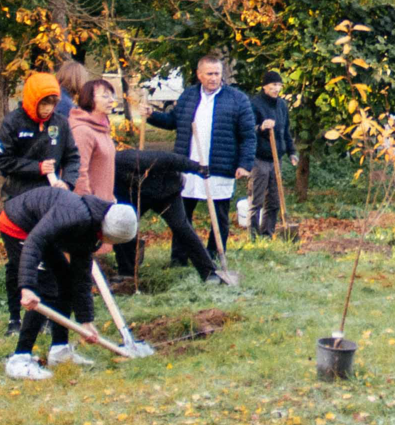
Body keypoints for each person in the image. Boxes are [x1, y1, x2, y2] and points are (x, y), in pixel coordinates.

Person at [2, 185, 141, 379]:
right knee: (45, 290)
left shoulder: (90, 229)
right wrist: (27, 287)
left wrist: (86, 321)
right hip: (18, 225)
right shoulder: (73, 215)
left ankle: (59, 350)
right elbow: (34, 242)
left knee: (66, 282)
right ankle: (20, 359)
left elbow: (81, 277)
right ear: (105, 232)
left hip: (40, 230)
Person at [148, 54, 254, 284]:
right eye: (209, 74)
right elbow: (172, 121)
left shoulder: (237, 99)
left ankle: (213, 255)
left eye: (217, 74)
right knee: (182, 215)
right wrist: (152, 117)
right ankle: (179, 258)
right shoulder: (188, 96)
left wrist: (244, 164)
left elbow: (247, 136)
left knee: (219, 216)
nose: (214, 78)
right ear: (199, 75)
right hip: (188, 167)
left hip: (219, 166)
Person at [113, 145, 225, 285]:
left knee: (181, 228)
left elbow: (169, 159)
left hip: (166, 192)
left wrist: (197, 168)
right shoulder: (101, 174)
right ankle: (126, 273)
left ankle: (209, 273)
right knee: (124, 226)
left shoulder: (127, 159)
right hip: (135, 197)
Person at [0, 71, 79, 207]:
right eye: (43, 103)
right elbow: (2, 160)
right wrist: (37, 167)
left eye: (52, 104)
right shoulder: (13, 122)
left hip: (50, 196)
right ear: (33, 100)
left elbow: (72, 158)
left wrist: (67, 183)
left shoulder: (60, 123)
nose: (48, 109)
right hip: (18, 196)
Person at [247, 70, 294, 238]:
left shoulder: (282, 105)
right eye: (274, 85)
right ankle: (253, 235)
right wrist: (261, 127)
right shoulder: (255, 104)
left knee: (274, 199)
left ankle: (267, 233)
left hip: (276, 158)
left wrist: (292, 152)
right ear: (265, 86)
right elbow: (248, 129)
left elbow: (286, 131)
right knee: (257, 199)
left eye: (279, 85)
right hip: (259, 158)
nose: (277, 88)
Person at [64, 66, 119, 206]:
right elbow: (79, 172)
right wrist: (88, 203)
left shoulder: (103, 129)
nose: (111, 100)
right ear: (90, 99)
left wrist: (110, 196)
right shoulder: (82, 131)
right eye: (105, 96)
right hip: (88, 207)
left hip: (103, 204)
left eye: (112, 96)